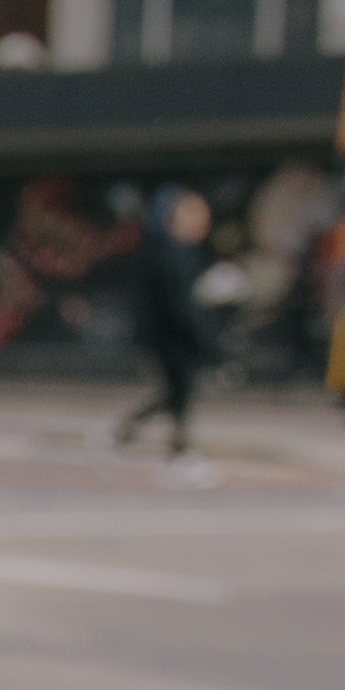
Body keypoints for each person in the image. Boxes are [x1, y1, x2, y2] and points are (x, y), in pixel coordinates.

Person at [117, 182, 219, 474]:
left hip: (179, 336)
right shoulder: (166, 253)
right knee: (178, 393)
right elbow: (179, 304)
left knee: (177, 394)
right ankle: (177, 451)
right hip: (170, 337)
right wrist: (205, 337)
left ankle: (136, 435)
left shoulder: (186, 253)